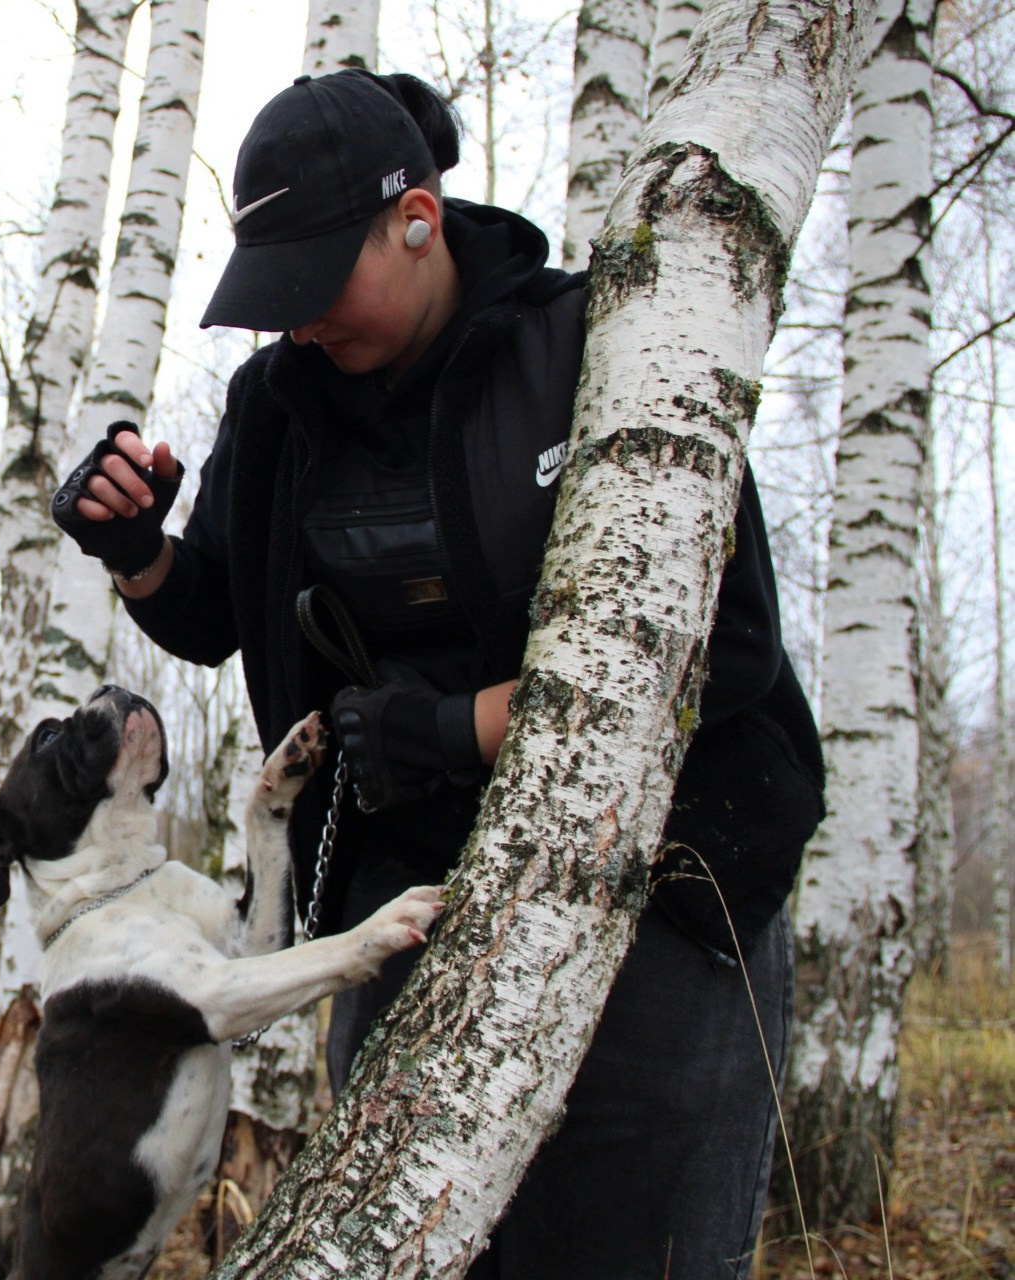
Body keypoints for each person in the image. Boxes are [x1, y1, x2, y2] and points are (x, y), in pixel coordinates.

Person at [51, 68, 825, 1280]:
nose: (298, 321)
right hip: (403, 894)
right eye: (275, 293)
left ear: (416, 220)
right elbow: (216, 616)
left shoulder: (593, 346)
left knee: (633, 1249)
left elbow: (712, 644)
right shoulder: (278, 400)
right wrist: (135, 546)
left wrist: (454, 727)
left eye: (318, 281)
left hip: (660, 882)